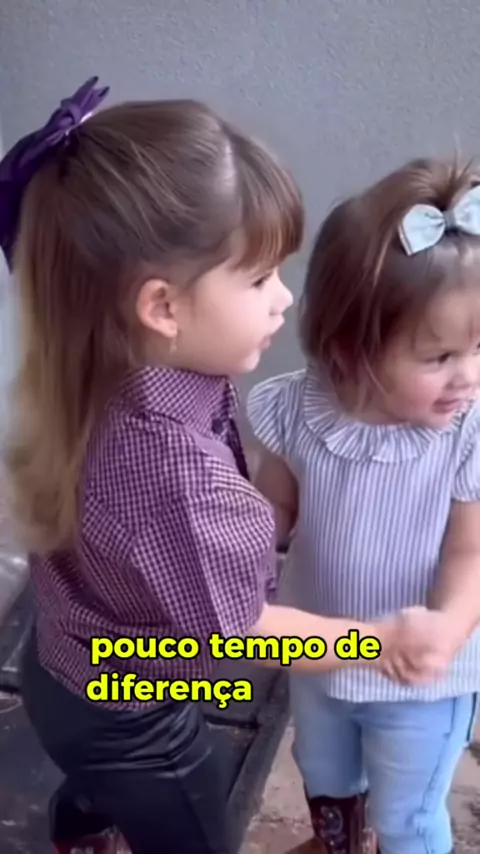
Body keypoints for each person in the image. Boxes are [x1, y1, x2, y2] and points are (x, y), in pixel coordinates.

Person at [0, 79, 440, 854]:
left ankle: (81, 832)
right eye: (260, 278)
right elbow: (244, 633)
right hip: (134, 708)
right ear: (163, 307)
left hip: (61, 659)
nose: (284, 302)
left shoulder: (91, 364)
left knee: (92, 778)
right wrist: (374, 641)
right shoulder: (179, 479)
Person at [246, 156, 480, 854]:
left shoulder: (468, 432)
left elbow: (471, 550)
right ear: (350, 344)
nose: (468, 376)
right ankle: (340, 841)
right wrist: (234, 553)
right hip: (321, 647)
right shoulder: (299, 407)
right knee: (324, 773)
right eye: (439, 357)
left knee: (408, 814)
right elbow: (275, 507)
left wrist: (448, 627)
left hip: (423, 678)